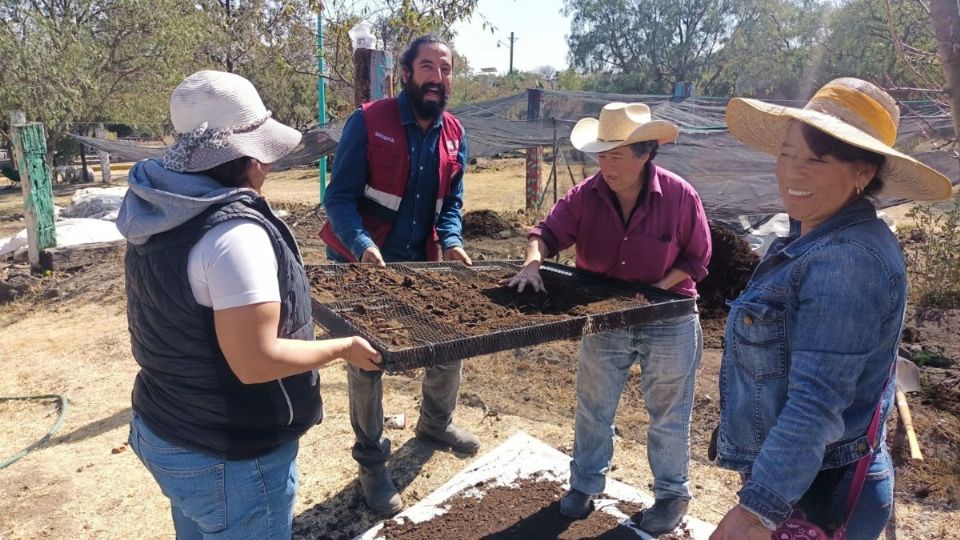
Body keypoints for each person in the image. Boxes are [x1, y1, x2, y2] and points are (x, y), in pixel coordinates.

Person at [117, 70, 382, 539]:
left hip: (167, 428)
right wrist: (341, 348)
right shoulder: (234, 235)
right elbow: (255, 360)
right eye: (260, 152)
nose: (268, 166)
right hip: (229, 455)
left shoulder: (160, 208)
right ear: (240, 156)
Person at [710, 78, 953, 540]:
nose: (792, 173)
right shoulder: (812, 237)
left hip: (817, 493)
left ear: (862, 172)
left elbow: (817, 404)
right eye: (787, 154)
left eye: (817, 160)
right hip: (808, 479)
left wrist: (755, 512)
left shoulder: (845, 260)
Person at [504, 102, 712, 535]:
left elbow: (697, 257)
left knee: (668, 414)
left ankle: (672, 495)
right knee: (594, 406)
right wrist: (532, 263)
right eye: (601, 154)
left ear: (645, 154)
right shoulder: (586, 196)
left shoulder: (679, 196)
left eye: (615, 155)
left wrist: (656, 288)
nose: (605, 165)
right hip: (603, 315)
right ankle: (584, 484)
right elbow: (545, 233)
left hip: (667, 314)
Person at [319, 34, 477, 515]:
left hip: (419, 261)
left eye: (445, 69)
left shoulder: (454, 133)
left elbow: (450, 203)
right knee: (367, 362)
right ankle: (371, 461)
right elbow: (339, 198)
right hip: (361, 262)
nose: (437, 77)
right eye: (427, 67)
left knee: (448, 341)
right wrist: (362, 246)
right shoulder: (370, 121)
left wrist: (451, 241)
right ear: (405, 74)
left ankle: (434, 423)